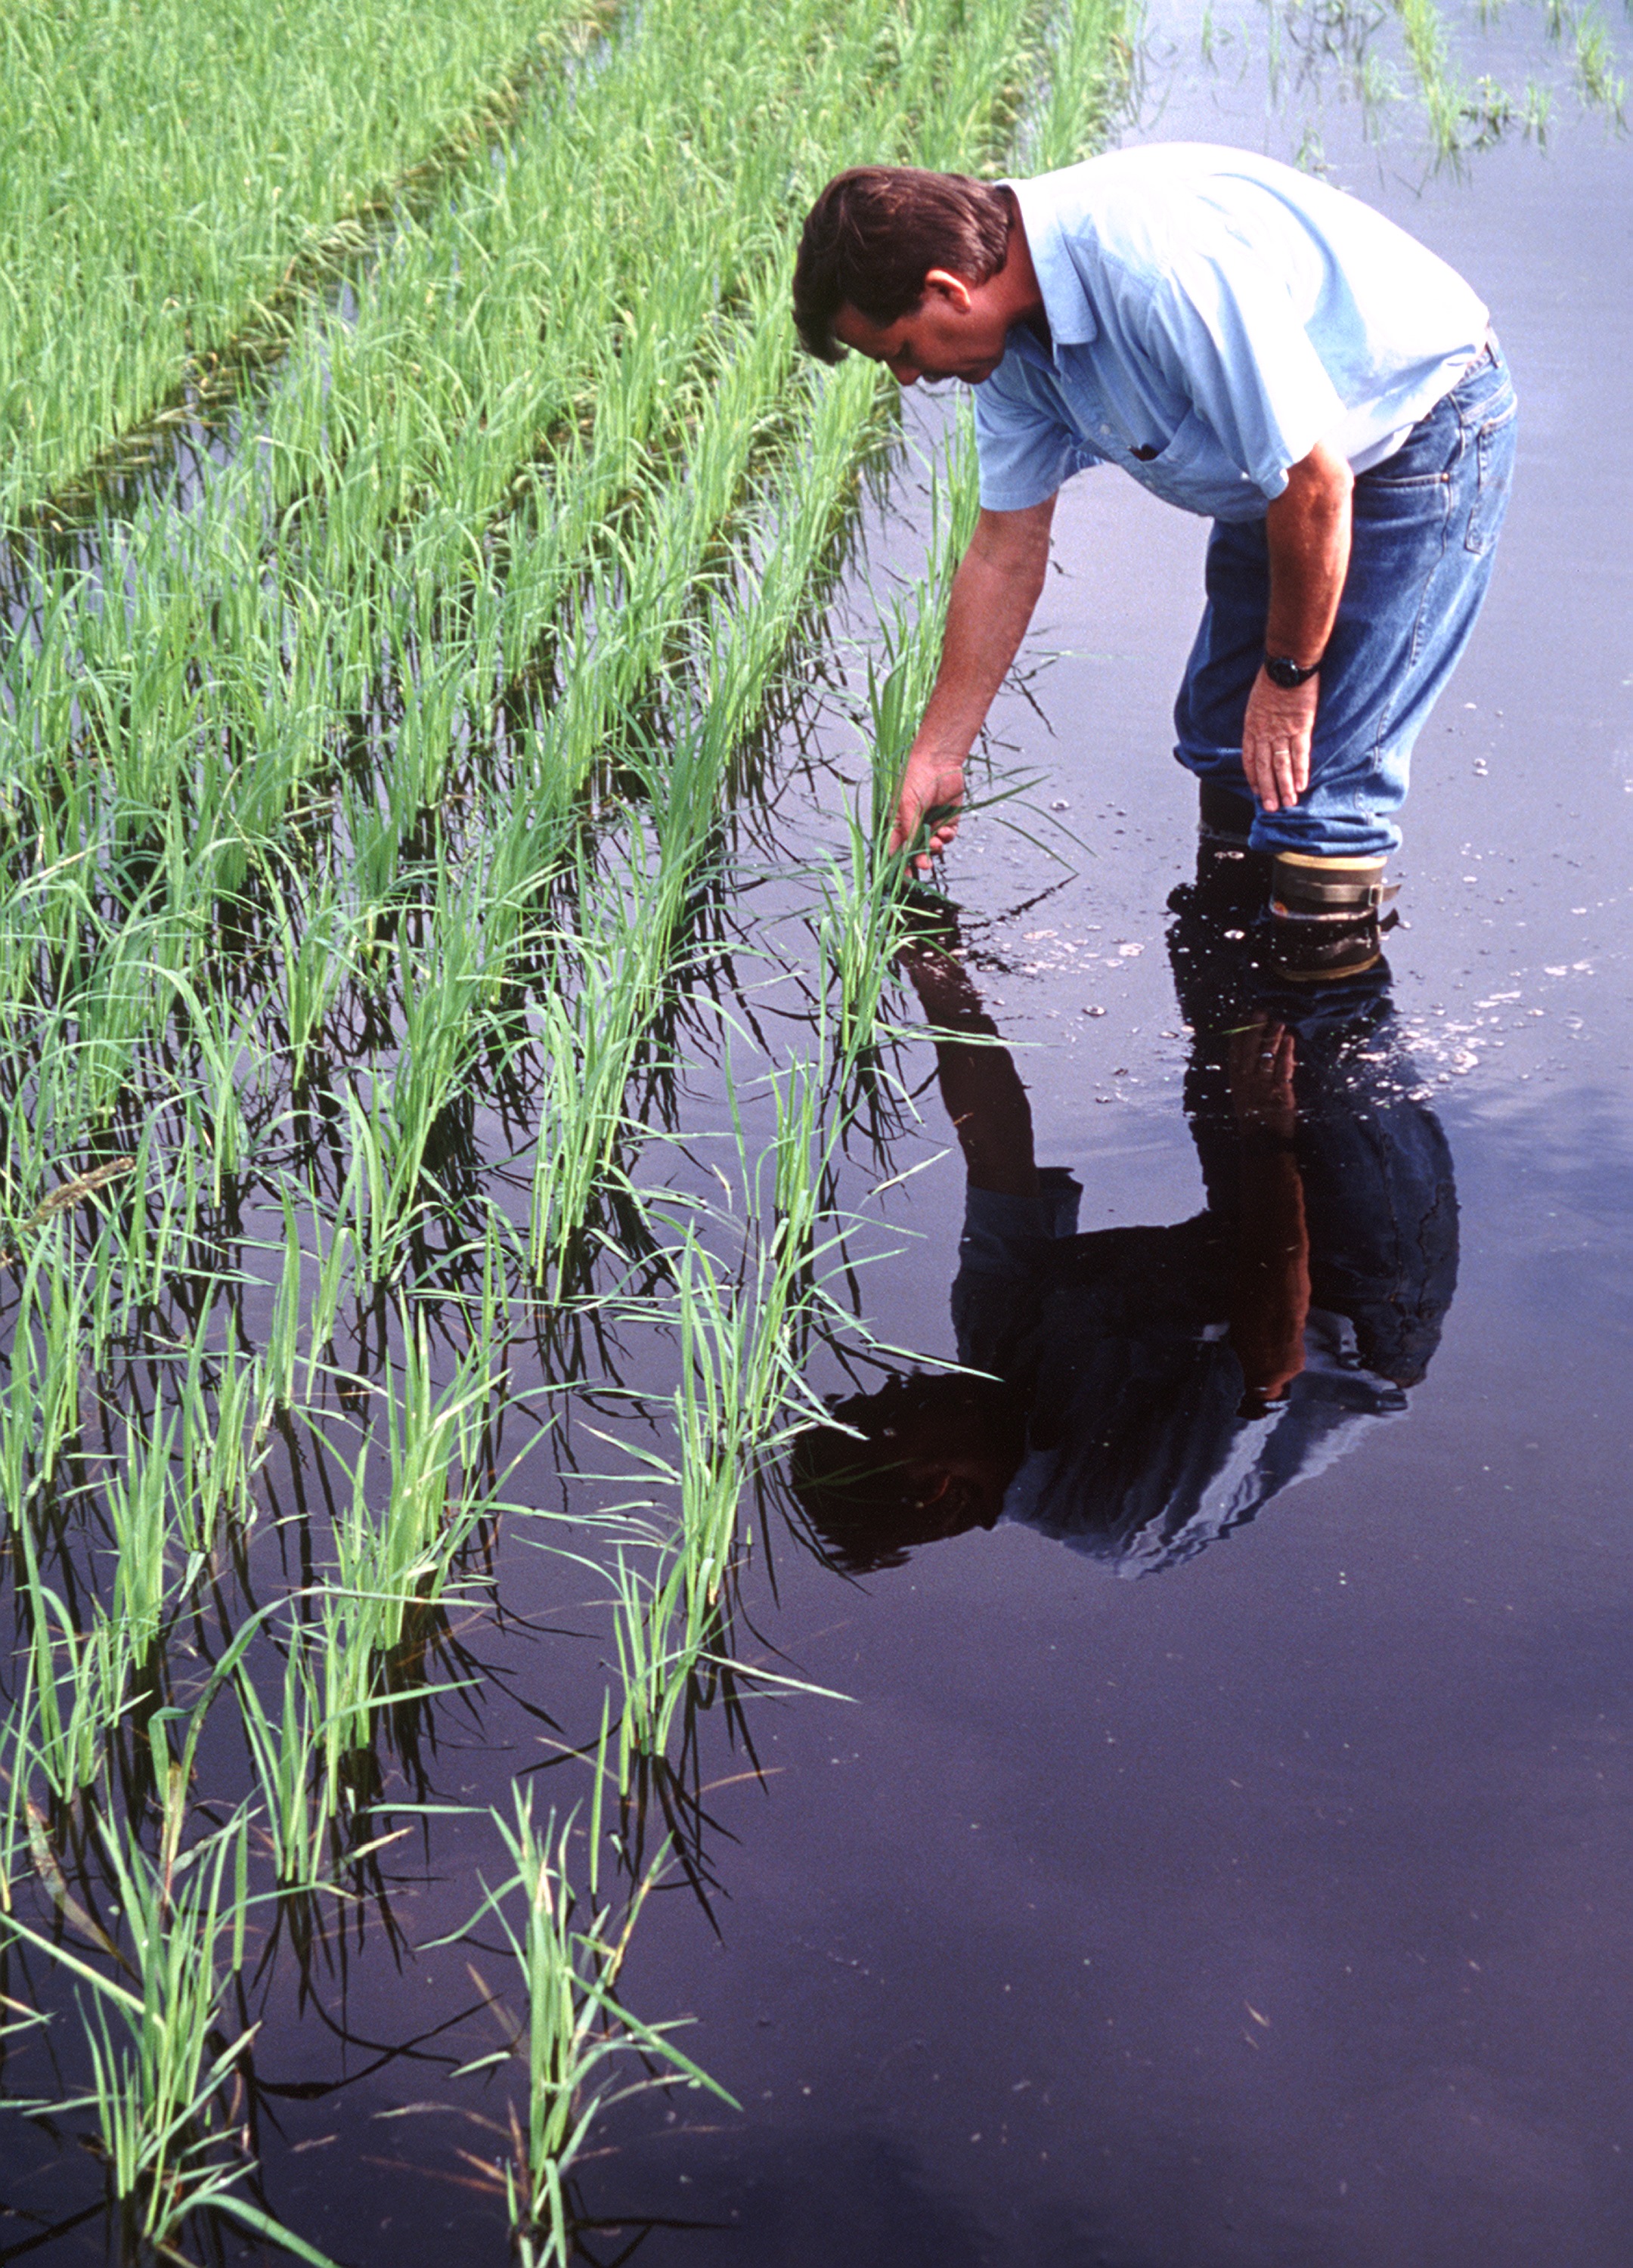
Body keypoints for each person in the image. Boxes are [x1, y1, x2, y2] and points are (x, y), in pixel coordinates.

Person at [792, 144, 1518, 979]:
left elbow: (1317, 485)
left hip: (1407, 430)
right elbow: (1005, 551)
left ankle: (1326, 1064)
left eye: (901, 351)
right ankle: (1237, 1038)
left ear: (948, 290)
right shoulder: (1010, 356)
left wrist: (1288, 678)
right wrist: (936, 755)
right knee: (1222, 743)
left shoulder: (1153, 271)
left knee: (1321, 798)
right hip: (1276, 474)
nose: (911, 378)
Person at [788, 912, 1458, 1577]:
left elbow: (996, 1154)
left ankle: (1260, 830)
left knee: (1220, 946)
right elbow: (1273, 1351)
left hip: (1249, 1225)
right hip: (1359, 1298)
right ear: (941, 1486)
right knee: (1322, 1003)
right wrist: (1265, 1133)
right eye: (888, 1415)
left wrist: (934, 966)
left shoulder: (994, 1336)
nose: (900, 1382)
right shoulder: (1122, 1512)